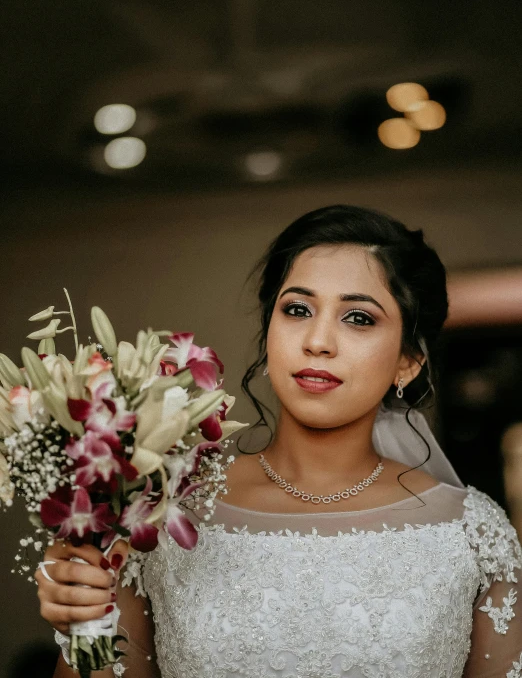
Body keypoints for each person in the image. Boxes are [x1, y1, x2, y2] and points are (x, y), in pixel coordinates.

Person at [35, 205, 522, 677]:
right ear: (269, 334)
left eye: (358, 318)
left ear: (408, 362)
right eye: (297, 309)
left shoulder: (472, 535)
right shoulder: (165, 512)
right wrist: (85, 616)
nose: (318, 340)